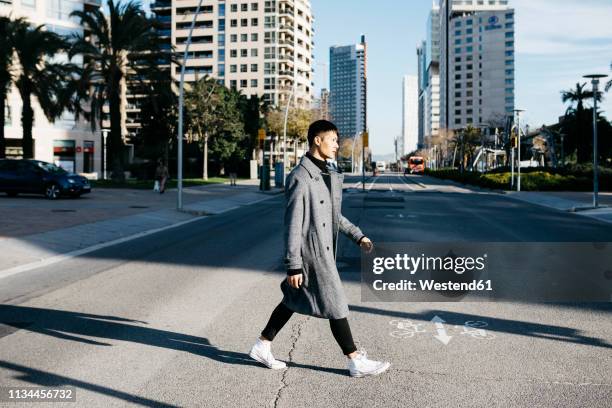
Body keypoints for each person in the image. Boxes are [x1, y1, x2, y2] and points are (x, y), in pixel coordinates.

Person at [249, 120, 391, 378]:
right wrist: (293, 264)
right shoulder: (300, 177)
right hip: (311, 254)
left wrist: (358, 237)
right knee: (336, 302)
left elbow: (333, 216)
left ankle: (262, 345)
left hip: (323, 250)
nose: (337, 145)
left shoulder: (324, 173)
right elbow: (292, 224)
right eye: (333, 140)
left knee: (292, 300)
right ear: (317, 140)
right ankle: (355, 360)